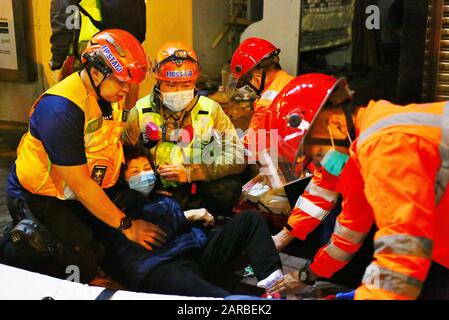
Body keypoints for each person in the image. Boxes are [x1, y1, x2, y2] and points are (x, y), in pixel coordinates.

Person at [4, 29, 164, 283]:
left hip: (76, 188)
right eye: (122, 81)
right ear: (97, 72)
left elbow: (113, 133)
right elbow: (81, 184)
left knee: (105, 242)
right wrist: (128, 227)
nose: (127, 89)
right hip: (40, 195)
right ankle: (14, 250)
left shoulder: (108, 92)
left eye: (131, 82)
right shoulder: (60, 111)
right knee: (81, 258)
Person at [267, 88, 449, 299]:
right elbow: (351, 228)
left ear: (335, 124)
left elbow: (401, 260)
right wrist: (307, 274)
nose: (318, 163)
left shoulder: (385, 146)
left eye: (316, 153)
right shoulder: (358, 151)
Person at [93, 145, 283, 297]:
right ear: (122, 179)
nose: (143, 175)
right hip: (162, 266)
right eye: (134, 171)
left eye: (146, 168)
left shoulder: (160, 197)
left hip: (194, 254)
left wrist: (205, 231)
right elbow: (159, 228)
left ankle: (275, 283)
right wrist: (189, 215)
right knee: (218, 298)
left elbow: (177, 226)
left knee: (249, 219)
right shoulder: (120, 205)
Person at [123, 41, 245, 216]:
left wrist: (194, 172)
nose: (179, 91)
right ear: (158, 81)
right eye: (171, 85)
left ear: (195, 81)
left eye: (187, 85)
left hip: (196, 185)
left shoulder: (210, 109)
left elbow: (237, 155)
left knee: (229, 186)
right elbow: (123, 156)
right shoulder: (141, 111)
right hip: (155, 188)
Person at [49, 0, 146, 107]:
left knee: (75, 106)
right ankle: (125, 122)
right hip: (126, 44)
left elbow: (63, 10)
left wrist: (58, 59)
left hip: (92, 46)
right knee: (123, 98)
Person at [230, 37, 294, 153]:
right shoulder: (290, 81)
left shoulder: (266, 103)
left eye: (248, 80)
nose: (250, 86)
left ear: (256, 76)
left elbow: (251, 147)